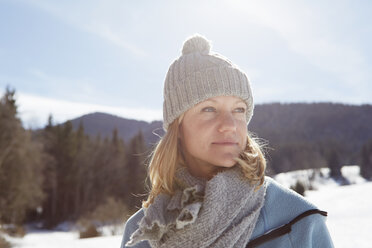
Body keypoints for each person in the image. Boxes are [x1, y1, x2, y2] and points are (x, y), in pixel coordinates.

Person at [120, 34, 334, 248]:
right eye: (209, 109)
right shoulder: (141, 233)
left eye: (239, 109)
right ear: (178, 127)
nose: (230, 124)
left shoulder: (298, 223)